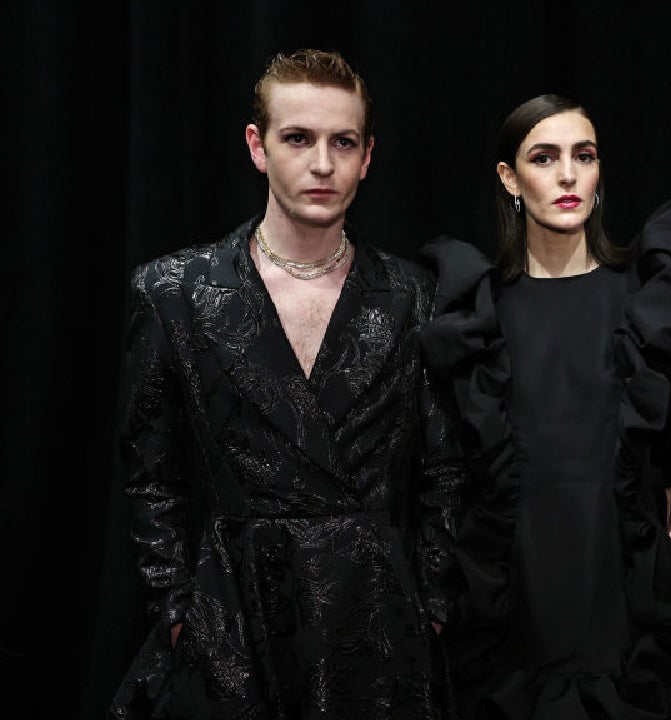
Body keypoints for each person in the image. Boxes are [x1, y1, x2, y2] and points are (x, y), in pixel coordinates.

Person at [109, 49, 464, 719]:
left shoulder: (414, 297)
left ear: (368, 156)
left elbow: (444, 468)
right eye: (298, 138)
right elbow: (151, 474)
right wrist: (179, 609)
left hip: (377, 634)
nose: (322, 164)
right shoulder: (174, 292)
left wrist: (432, 606)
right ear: (258, 146)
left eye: (343, 142)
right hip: (233, 626)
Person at [419, 94, 671, 720]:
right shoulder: (478, 314)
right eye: (544, 158)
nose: (567, 175)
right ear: (510, 178)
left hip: (623, 586)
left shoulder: (648, 300)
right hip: (518, 593)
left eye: (583, 156)